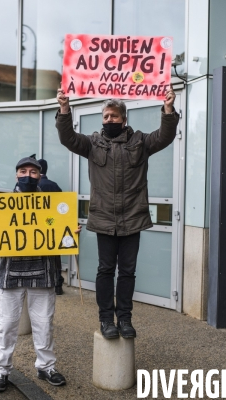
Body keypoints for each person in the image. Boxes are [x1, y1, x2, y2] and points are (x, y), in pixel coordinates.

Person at [55, 88, 179, 339]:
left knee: (127, 272)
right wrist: (65, 109)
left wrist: (167, 109)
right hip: (103, 220)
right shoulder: (92, 143)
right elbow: (68, 138)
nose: (108, 120)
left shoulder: (140, 142)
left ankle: (124, 318)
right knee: (105, 270)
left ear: (124, 118)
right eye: (105, 116)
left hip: (133, 218)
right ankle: (105, 319)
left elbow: (165, 137)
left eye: (113, 116)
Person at [0, 155, 77, 393]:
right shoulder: (0, 207)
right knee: (6, 326)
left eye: (33, 172)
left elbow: (58, 233)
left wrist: (69, 230)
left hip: (43, 275)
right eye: (23, 171)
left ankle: (46, 366)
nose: (28, 176)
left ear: (40, 175)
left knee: (44, 325)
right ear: (16, 175)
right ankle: (1, 370)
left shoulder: (50, 205)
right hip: (10, 277)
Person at [38, 158, 65, 295]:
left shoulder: (34, 186)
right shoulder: (54, 185)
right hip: (53, 224)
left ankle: (44, 283)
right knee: (55, 255)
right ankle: (58, 284)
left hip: (39, 227)